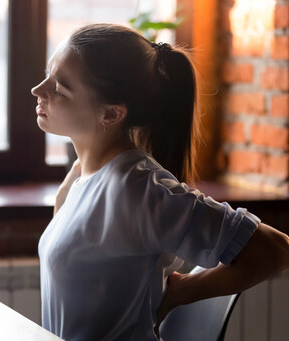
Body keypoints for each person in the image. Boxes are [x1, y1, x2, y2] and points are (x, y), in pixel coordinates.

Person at [31, 23, 289, 341]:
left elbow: (275, 250)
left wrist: (180, 292)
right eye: (48, 74)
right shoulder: (82, 176)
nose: (38, 89)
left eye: (59, 88)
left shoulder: (135, 189)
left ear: (111, 114)